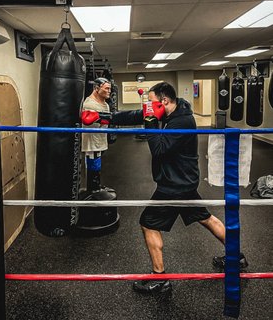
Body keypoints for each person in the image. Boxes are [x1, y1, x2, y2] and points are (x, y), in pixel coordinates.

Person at [81, 81, 248, 294]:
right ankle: (236, 257)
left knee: (148, 223)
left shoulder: (183, 122)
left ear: (165, 101)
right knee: (206, 218)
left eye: (152, 104)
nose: (149, 108)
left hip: (174, 185)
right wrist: (104, 118)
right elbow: (135, 115)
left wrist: (150, 122)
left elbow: (158, 149)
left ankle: (160, 278)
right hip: (182, 181)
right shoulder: (171, 112)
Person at [81, 77, 112, 192]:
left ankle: (96, 186)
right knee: (93, 164)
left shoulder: (105, 104)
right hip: (92, 141)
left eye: (110, 89)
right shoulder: (90, 104)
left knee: (98, 164)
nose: (109, 91)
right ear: (97, 88)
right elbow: (91, 125)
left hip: (101, 139)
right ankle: (92, 190)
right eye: (107, 88)